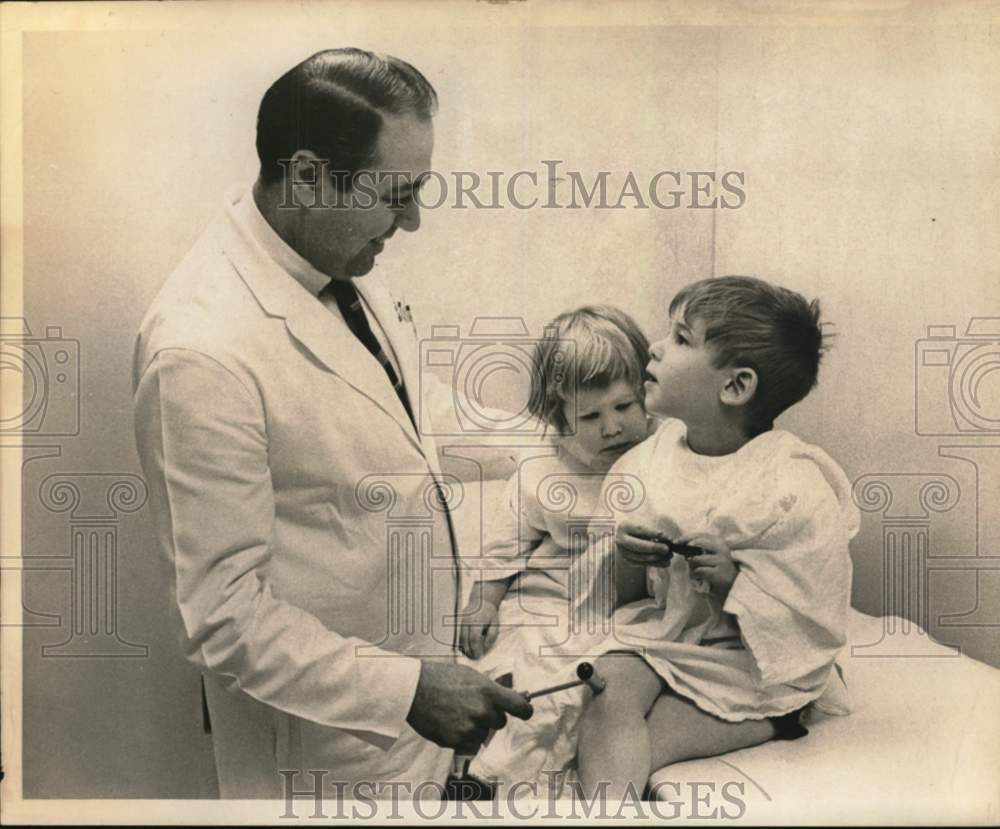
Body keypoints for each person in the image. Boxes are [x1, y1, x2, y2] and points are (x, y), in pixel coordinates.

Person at [132, 48, 531, 800]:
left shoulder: (334, 260)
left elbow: (412, 412)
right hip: (324, 752)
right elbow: (221, 615)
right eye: (397, 196)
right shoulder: (200, 351)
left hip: (408, 719)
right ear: (310, 177)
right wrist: (406, 690)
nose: (412, 221)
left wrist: (581, 448)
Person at [574, 275, 859, 800]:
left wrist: (734, 581)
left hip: (748, 662)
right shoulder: (649, 461)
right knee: (607, 691)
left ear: (735, 386)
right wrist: (627, 554)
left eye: (681, 339)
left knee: (651, 738)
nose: (655, 347)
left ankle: (781, 715)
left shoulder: (792, 484)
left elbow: (814, 601)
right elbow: (622, 597)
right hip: (667, 636)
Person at [456, 305, 654, 792]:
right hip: (552, 595)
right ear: (558, 416)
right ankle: (486, 772)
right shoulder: (545, 467)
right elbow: (506, 543)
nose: (612, 427)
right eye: (590, 416)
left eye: (625, 406)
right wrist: (484, 600)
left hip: (626, 604)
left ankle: (511, 775)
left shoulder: (664, 451)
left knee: (593, 681)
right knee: (525, 666)